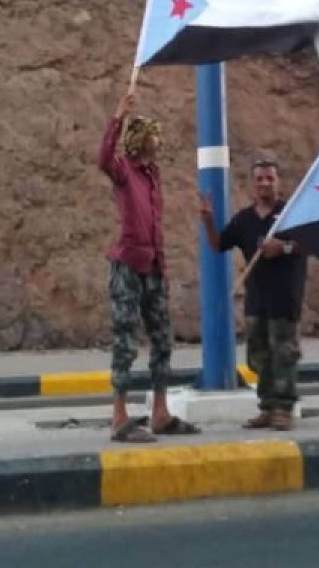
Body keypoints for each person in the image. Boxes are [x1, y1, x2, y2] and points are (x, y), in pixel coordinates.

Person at [97, 86, 200, 443]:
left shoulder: (153, 175)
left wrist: (163, 268)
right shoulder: (123, 171)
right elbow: (103, 158)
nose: (158, 141)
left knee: (162, 339)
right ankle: (119, 417)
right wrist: (118, 116)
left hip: (154, 266)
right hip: (127, 265)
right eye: (152, 136)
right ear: (139, 140)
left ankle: (160, 412)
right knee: (126, 340)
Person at [199, 154, 307, 431]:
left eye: (269, 178)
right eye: (259, 179)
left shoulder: (290, 214)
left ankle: (284, 408)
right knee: (259, 356)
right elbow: (218, 244)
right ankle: (268, 407)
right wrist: (208, 220)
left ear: (278, 182)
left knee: (284, 353)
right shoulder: (244, 220)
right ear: (252, 184)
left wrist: (280, 248)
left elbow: (308, 244)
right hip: (256, 299)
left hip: (284, 297)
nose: (264, 183)